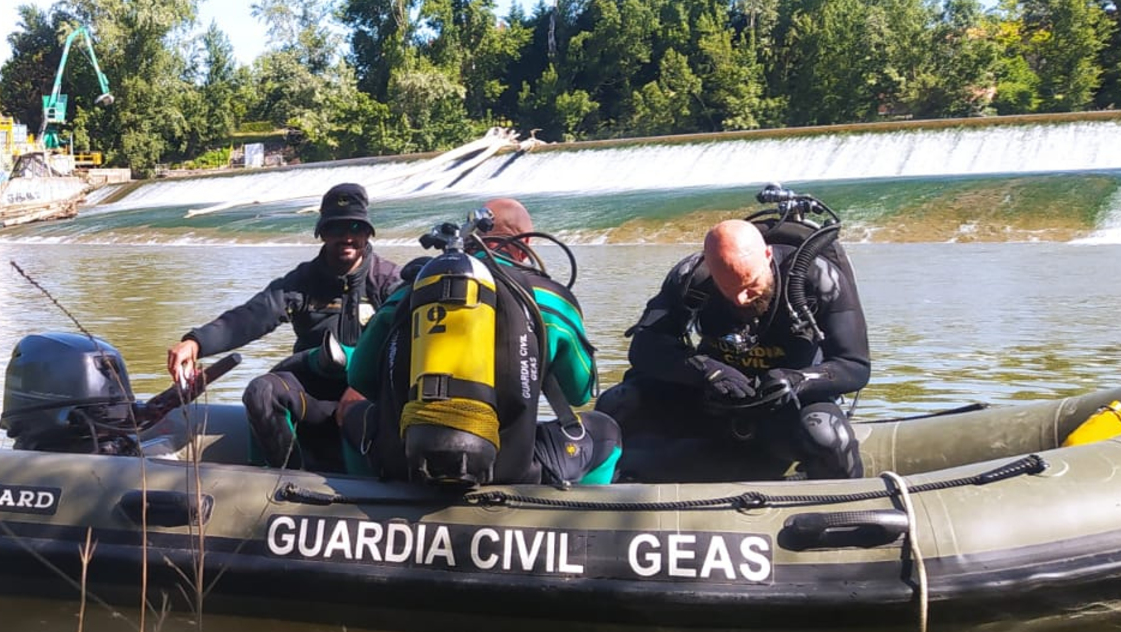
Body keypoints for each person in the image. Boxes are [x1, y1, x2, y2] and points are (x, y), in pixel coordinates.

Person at [337, 198, 620, 486]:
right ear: (523, 246)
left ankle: (369, 498)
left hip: (404, 461)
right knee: (606, 431)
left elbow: (360, 377)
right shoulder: (551, 299)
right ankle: (581, 515)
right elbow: (580, 393)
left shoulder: (413, 289)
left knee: (355, 416)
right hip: (511, 469)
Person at [595, 218, 870, 481]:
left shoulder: (818, 279)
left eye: (750, 286)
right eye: (728, 287)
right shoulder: (692, 276)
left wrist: (795, 380)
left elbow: (854, 365)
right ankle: (602, 496)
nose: (740, 299)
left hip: (785, 408)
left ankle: (850, 516)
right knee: (617, 402)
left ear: (767, 255)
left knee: (828, 434)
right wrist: (707, 370)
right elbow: (644, 348)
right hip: (711, 401)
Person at [167, 183, 402, 471]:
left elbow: (409, 340)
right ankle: (287, 481)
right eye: (336, 228)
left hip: (370, 393)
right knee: (260, 391)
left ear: (368, 232)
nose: (347, 237)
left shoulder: (389, 281)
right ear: (322, 233)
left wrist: (365, 386)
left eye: (356, 227)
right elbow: (252, 316)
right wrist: (196, 343)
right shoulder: (302, 281)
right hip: (312, 389)